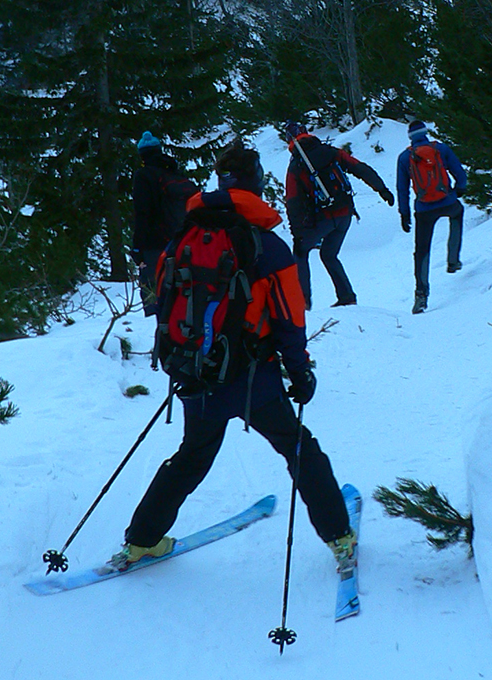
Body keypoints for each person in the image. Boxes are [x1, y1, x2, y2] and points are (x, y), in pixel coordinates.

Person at [111, 141, 356, 574]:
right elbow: (289, 318)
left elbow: (165, 302)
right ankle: (339, 536)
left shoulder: (183, 239)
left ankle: (142, 541)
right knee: (299, 449)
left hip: (196, 372)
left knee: (191, 456)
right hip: (252, 378)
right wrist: (300, 371)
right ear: (256, 183)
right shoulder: (267, 246)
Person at [284, 121, 395, 309]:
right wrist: (382, 189)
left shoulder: (296, 166)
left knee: (300, 253)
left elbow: (293, 202)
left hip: (323, 218)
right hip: (345, 214)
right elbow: (360, 168)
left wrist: (298, 233)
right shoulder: (331, 152)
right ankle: (347, 296)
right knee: (329, 254)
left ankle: (303, 304)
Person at [396, 120, 467, 314]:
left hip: (424, 209)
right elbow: (459, 172)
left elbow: (402, 188)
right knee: (457, 213)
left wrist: (404, 213)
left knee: (422, 250)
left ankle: (421, 295)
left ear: (410, 137)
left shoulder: (405, 157)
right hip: (447, 201)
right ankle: (453, 260)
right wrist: (459, 189)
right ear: (425, 133)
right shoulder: (441, 149)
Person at [130, 131, 198, 316]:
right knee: (180, 298)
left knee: (157, 298)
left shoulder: (143, 176)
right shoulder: (173, 173)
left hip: (154, 245)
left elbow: (142, 213)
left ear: (142, 155)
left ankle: (161, 332)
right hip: (182, 242)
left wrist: (137, 247)